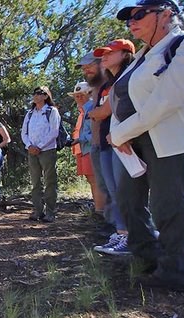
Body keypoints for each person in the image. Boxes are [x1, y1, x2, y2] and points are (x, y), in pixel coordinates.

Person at [109, 0, 184, 291]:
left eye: (139, 15)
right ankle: (148, 257)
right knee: (128, 200)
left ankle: (175, 271)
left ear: (166, 14)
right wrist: (118, 135)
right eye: (128, 19)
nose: (132, 22)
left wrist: (120, 134)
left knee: (168, 203)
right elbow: (120, 102)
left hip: (167, 138)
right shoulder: (142, 56)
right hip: (134, 140)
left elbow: (166, 101)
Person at [89, 39, 135, 256]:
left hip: (125, 142)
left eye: (110, 52)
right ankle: (121, 233)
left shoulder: (130, 77)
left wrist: (95, 112)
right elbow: (98, 111)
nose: (104, 57)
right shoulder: (108, 83)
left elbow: (102, 112)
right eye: (102, 54)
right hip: (108, 142)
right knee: (114, 190)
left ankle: (132, 236)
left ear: (125, 54)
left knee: (125, 191)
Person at [76, 52, 111, 230]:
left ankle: (111, 222)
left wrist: (80, 139)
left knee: (105, 183)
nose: (79, 98)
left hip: (106, 145)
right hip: (94, 147)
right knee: (98, 183)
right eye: (84, 68)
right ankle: (108, 222)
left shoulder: (110, 86)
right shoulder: (88, 104)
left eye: (89, 66)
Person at [21, 86, 60, 223]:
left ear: (46, 96)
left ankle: (50, 211)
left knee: (50, 181)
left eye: (40, 93)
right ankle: (38, 210)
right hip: (32, 151)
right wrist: (29, 146)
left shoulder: (52, 111)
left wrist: (40, 146)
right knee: (35, 182)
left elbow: (54, 132)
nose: (36, 95)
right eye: (35, 93)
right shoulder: (30, 113)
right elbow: (24, 133)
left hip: (47, 150)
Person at [68, 82, 102, 216]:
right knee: (91, 180)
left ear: (90, 94)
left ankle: (101, 212)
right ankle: (99, 209)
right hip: (82, 150)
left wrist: (79, 139)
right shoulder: (82, 111)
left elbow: (94, 132)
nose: (78, 98)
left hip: (90, 148)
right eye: (76, 96)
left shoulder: (91, 108)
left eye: (82, 95)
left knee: (96, 180)